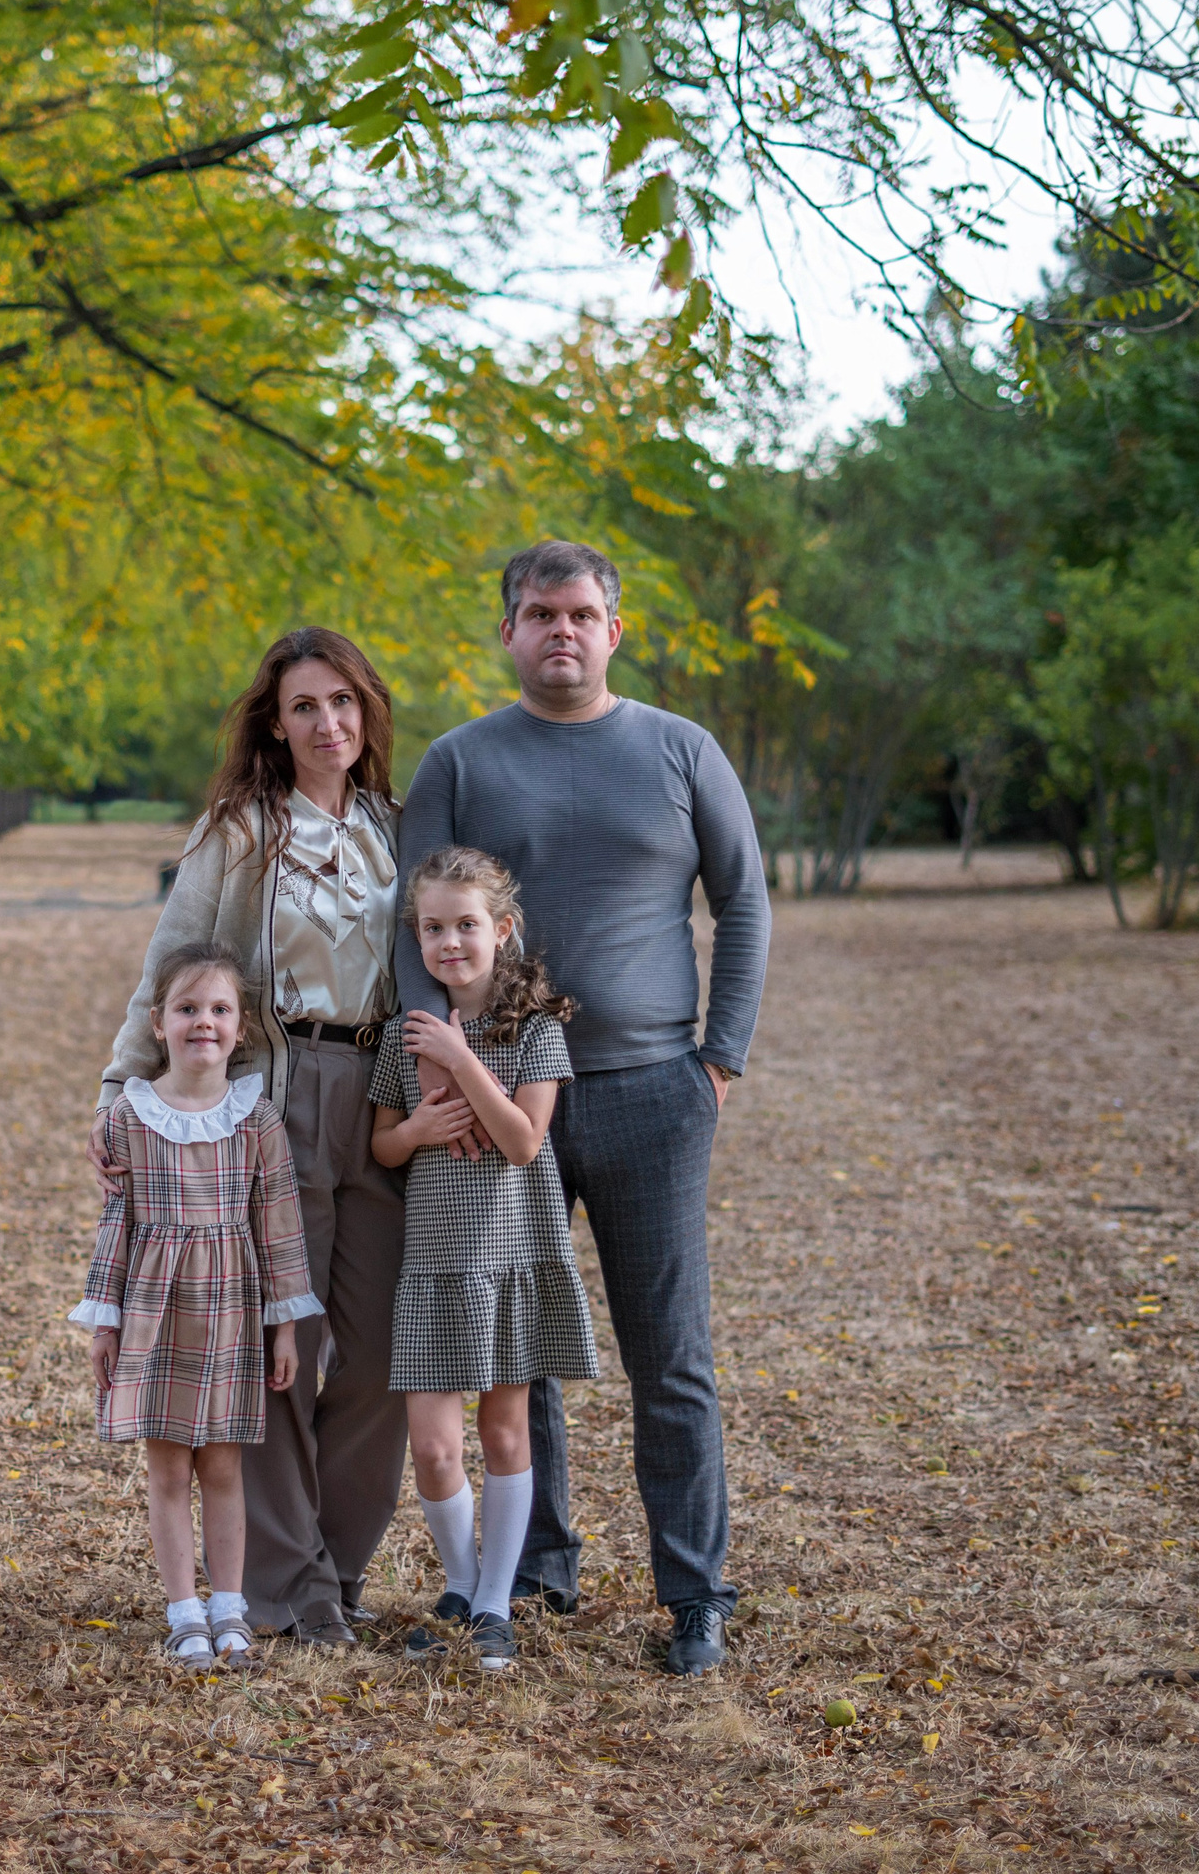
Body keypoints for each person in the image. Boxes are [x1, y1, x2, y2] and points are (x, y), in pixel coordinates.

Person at [396, 538, 771, 1678]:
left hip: (656, 1091)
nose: (560, 630)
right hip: (504, 1103)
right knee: (519, 1347)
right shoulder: (460, 761)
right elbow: (409, 930)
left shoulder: (678, 749)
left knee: (670, 1355)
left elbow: (744, 902)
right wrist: (442, 1070)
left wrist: (718, 1059)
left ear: (613, 630)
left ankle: (694, 1595)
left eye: (581, 613)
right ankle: (533, 1575)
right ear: (506, 632)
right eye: (538, 613)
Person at [90, 628, 408, 1645]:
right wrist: (119, 1090)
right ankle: (287, 1588)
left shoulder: (395, 827)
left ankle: (339, 1566)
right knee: (282, 1344)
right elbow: (171, 963)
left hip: (387, 1093)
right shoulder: (239, 832)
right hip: (275, 1093)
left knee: (381, 1354)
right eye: (305, 706)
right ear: (275, 724)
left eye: (344, 702)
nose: (329, 723)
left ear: (368, 711)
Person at [368, 846, 598, 1671]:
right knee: (432, 1443)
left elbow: (524, 1140)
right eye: (432, 928)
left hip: (510, 1256)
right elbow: (385, 1146)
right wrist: (417, 1131)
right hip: (433, 1263)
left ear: (501, 930)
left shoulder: (534, 1031)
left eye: (466, 925)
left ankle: (497, 1602)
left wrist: (463, 1061)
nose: (449, 942)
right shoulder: (405, 1034)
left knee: (504, 1430)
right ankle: (461, 1587)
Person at [72, 942, 321, 1666]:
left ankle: (230, 1606)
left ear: (241, 1027)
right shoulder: (130, 1118)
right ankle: (183, 1609)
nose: (202, 1022)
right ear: (158, 1022)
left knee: (224, 1467)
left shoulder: (256, 1119)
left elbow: (278, 1226)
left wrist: (284, 1326)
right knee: (169, 1467)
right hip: (156, 1310)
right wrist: (104, 1318)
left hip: (232, 1314)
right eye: (187, 1008)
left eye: (219, 1009)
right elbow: (115, 1223)